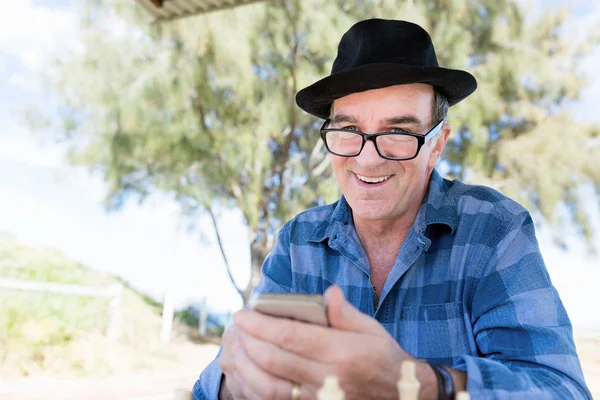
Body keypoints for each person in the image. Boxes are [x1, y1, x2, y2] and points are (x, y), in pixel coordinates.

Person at [193, 19, 592, 399]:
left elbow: (562, 389)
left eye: (398, 132)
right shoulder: (298, 242)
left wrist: (419, 385)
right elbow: (214, 384)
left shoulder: (493, 230)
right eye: (348, 130)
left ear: (436, 145)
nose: (367, 160)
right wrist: (237, 384)